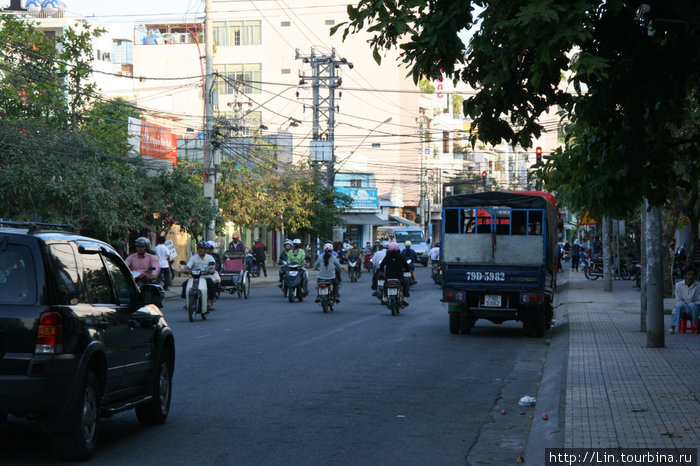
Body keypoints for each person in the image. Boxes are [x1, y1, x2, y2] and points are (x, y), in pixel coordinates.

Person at [181, 241, 217, 309]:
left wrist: (211, 270)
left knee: (212, 285)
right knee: (185, 284)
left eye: (202, 248)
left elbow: (213, 267)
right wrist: (184, 270)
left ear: (205, 249)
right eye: (199, 248)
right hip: (195, 278)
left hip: (206, 277)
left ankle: (209, 302)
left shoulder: (210, 258)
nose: (200, 250)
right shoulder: (193, 258)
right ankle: (188, 301)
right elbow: (188, 266)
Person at [668, 268, 700, 334]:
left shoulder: (698, 285)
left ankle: (697, 327)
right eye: (689, 274)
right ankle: (672, 327)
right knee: (678, 306)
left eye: (692, 275)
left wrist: (691, 304)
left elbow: (699, 300)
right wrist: (686, 305)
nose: (691, 277)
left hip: (695, 308)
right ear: (685, 275)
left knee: (693, 305)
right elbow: (678, 300)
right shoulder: (678, 285)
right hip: (683, 307)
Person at [379, 242, 411, 306]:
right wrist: (407, 270)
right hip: (399, 277)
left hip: (389, 276)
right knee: (405, 284)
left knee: (385, 285)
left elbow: (382, 264)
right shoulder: (400, 256)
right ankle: (405, 298)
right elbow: (406, 265)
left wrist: (382, 270)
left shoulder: (388, 256)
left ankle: (386, 298)